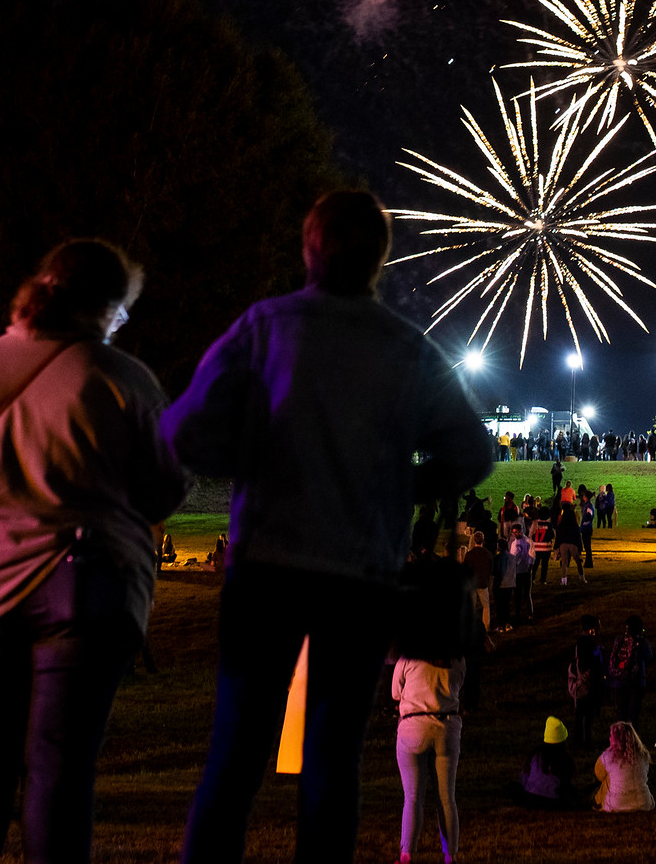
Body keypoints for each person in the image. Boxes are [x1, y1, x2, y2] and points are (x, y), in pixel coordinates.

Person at [163, 192, 493, 864]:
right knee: (332, 762)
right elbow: (471, 452)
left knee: (234, 753)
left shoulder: (264, 327)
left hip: (266, 563)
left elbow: (184, 428)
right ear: (381, 257)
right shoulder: (405, 347)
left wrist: (248, 464)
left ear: (307, 248)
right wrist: (400, 487)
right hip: (361, 573)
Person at [0, 239, 190, 864]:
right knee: (60, 765)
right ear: (108, 307)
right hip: (83, 580)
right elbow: (164, 486)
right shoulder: (120, 378)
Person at [392, 643, 464, 864]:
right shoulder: (457, 657)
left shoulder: (409, 655)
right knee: (447, 798)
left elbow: (395, 692)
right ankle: (450, 856)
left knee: (413, 798)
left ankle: (406, 855)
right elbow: (459, 685)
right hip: (446, 726)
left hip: (413, 725)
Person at [517, 717, 584, 809]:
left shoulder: (535, 755)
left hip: (531, 799)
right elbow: (565, 784)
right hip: (554, 802)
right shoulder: (564, 760)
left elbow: (524, 777)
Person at [592, 721, 655, 812]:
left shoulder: (608, 756)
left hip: (617, 804)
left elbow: (599, 775)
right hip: (644, 803)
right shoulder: (643, 755)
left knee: (607, 779)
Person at [606, 615, 653, 733]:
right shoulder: (642, 642)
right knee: (633, 716)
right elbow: (649, 658)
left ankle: (621, 740)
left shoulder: (619, 640)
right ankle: (631, 741)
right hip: (636, 682)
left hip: (618, 681)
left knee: (621, 715)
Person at [568, 617, 607, 745]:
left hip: (584, 681)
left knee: (582, 713)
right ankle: (584, 741)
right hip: (586, 682)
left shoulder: (584, 643)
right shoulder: (586, 643)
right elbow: (586, 663)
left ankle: (580, 740)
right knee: (585, 713)